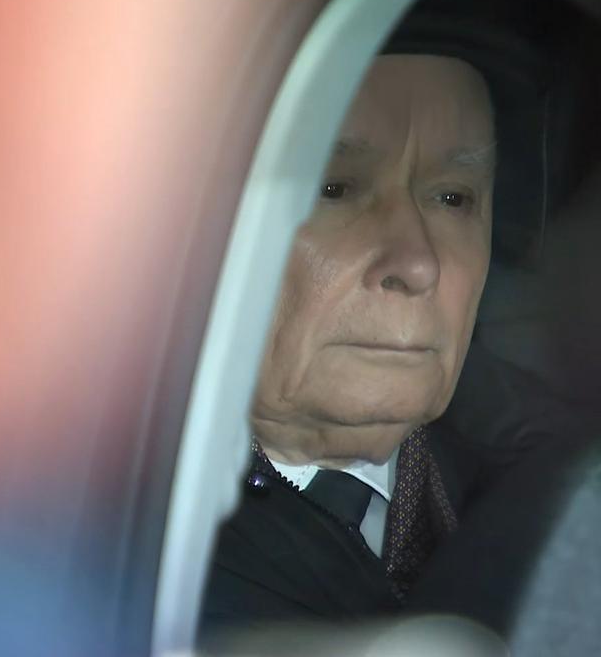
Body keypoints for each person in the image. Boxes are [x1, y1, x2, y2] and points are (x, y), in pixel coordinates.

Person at [198, 53, 501, 634]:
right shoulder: (90, 530)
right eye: (332, 188)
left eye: (453, 198)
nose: (419, 263)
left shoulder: (549, 503)